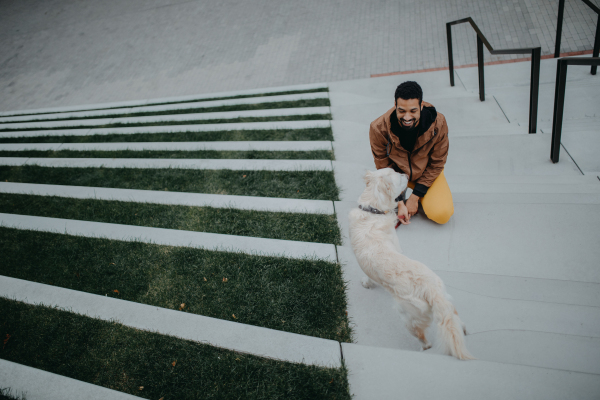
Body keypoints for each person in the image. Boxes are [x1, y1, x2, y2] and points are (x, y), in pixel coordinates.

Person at [369, 81, 453, 225]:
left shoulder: (438, 123)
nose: (407, 117)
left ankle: (419, 195)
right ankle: (402, 198)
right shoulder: (378, 129)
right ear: (395, 105)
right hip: (397, 176)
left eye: (413, 111)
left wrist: (415, 198)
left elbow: (437, 163)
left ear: (421, 106)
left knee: (442, 214)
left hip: (426, 173)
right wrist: (400, 203)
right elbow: (384, 168)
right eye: (401, 111)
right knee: (372, 211)